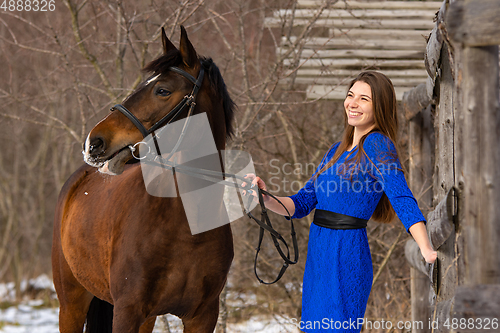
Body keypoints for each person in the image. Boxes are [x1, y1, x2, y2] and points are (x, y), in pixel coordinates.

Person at [242, 71, 437, 332]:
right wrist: (264, 197)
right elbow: (300, 204)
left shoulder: (378, 145)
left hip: (345, 253)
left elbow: (401, 196)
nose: (352, 104)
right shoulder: (335, 151)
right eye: (350, 95)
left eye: (363, 99)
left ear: (379, 106)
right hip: (319, 254)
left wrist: (425, 246)